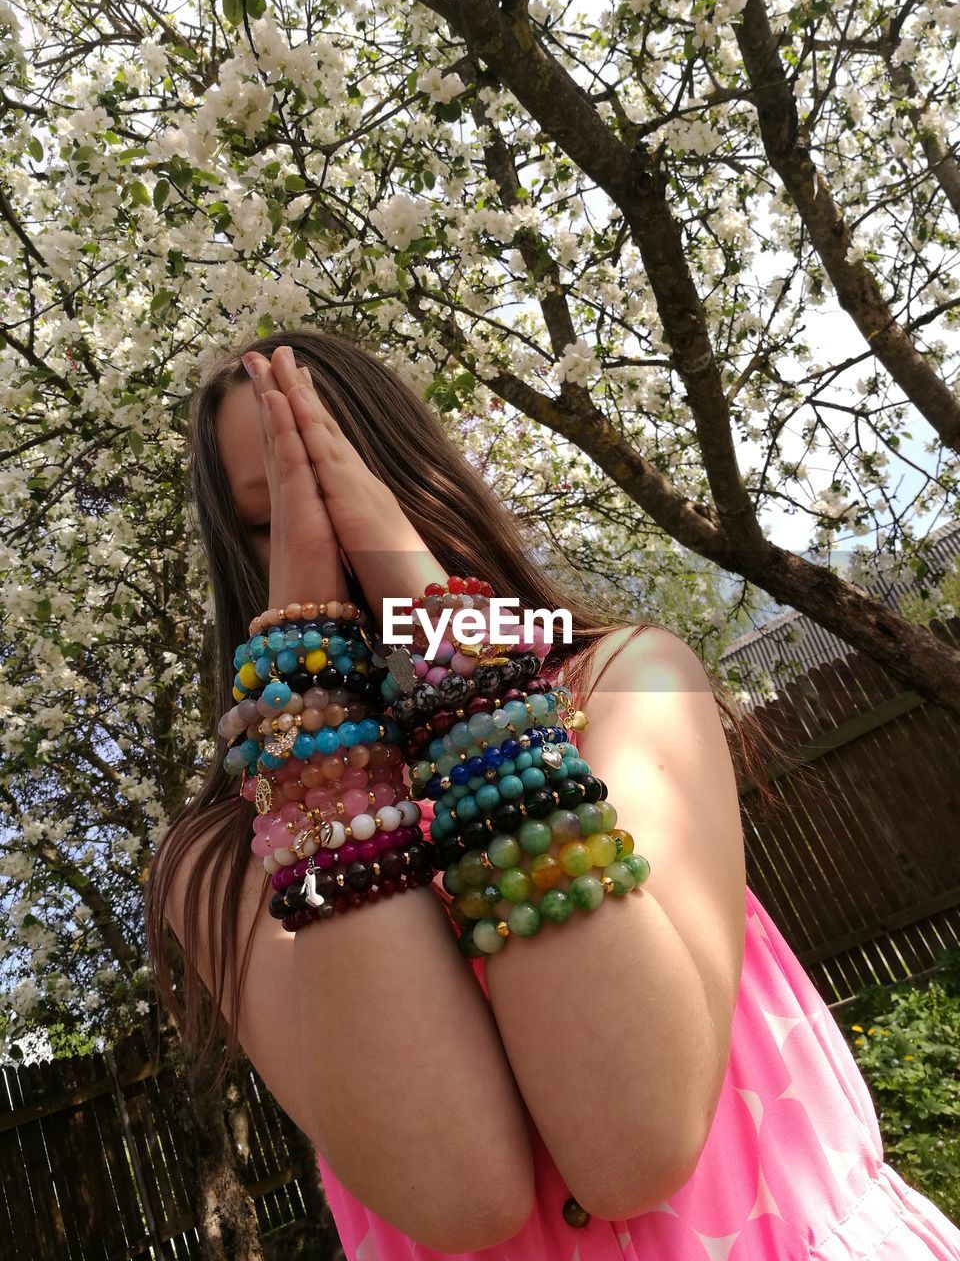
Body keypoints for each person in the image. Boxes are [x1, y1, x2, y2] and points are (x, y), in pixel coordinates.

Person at [145, 329, 960, 1260]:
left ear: (410, 482)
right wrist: (316, 727)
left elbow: (635, 1143)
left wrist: (435, 627)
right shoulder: (222, 864)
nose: (318, 528)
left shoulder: (625, 685)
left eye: (338, 484)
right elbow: (459, 1192)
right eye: (274, 517)